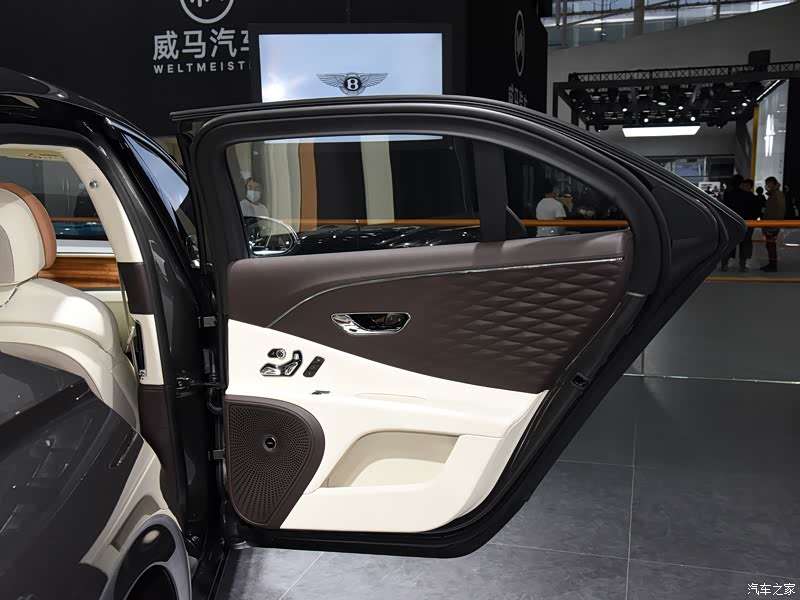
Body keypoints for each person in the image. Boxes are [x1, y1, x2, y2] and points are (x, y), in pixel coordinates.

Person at [761, 176, 785, 272]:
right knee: (770, 245)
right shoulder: (773, 194)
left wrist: (776, 223)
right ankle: (771, 264)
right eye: (766, 184)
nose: (767, 186)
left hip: (772, 224)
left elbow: (780, 210)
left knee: (771, 245)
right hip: (769, 223)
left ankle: (772, 265)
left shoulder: (777, 194)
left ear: (773, 183)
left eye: (768, 183)